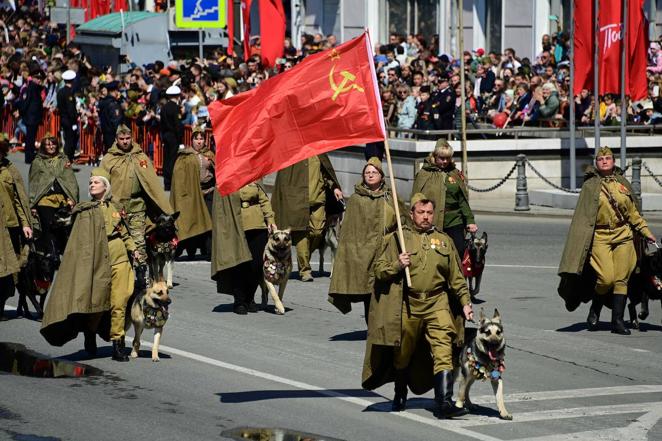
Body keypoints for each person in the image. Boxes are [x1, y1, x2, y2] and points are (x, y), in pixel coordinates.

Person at [362, 193, 473, 418]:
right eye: (420, 212)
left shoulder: (444, 241)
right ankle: (400, 391)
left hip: (437, 302)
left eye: (429, 213)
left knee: (444, 348)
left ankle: (443, 403)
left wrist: (465, 303)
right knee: (403, 352)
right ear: (412, 214)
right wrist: (397, 264)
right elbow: (379, 270)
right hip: (408, 304)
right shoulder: (398, 239)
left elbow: (457, 278)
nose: (425, 217)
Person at [41, 168, 138, 361]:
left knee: (119, 301)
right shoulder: (85, 210)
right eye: (90, 182)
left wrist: (135, 251)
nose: (92, 184)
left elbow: (125, 233)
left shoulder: (116, 207)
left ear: (105, 186)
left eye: (96, 182)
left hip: (119, 258)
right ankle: (90, 332)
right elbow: (77, 240)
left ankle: (118, 344)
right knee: (97, 303)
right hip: (96, 261)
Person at [558, 147, 656, 335]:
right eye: (600, 158)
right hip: (600, 237)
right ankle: (595, 308)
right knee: (606, 278)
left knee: (621, 279)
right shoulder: (590, 185)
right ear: (596, 162)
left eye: (608, 158)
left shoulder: (622, 183)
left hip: (623, 235)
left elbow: (633, 213)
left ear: (613, 161)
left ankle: (617, 321)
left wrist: (646, 231)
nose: (604, 161)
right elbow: (583, 218)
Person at [328, 157, 401, 322]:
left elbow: (403, 221)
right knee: (370, 291)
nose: (370, 175)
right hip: (363, 254)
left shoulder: (391, 197)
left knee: (387, 289)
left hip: (387, 251)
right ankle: (372, 327)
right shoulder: (356, 199)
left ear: (381, 175)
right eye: (367, 172)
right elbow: (349, 233)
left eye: (374, 172)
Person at [100, 125, 173, 282]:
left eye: (128, 139)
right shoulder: (109, 159)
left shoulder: (140, 157)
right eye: (122, 139)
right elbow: (101, 182)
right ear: (116, 140)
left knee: (139, 243)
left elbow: (151, 183)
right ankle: (118, 277)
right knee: (116, 243)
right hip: (116, 209)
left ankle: (141, 278)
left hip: (137, 207)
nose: (125, 142)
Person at [271, 154, 342, 282]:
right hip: (297, 200)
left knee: (317, 232)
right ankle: (305, 270)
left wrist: (335, 187)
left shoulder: (320, 152)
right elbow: (284, 178)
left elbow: (326, 172)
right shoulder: (295, 152)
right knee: (302, 234)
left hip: (318, 199)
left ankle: (304, 258)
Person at [211, 181, 276, 315]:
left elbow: (264, 200)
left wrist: (270, 220)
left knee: (257, 264)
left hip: (257, 225)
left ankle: (250, 297)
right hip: (235, 225)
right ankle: (240, 300)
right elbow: (221, 207)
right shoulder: (227, 177)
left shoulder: (255, 176)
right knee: (240, 264)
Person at [411, 140, 477, 259]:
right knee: (435, 253)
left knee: (458, 251)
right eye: (441, 158)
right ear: (434, 156)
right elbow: (416, 200)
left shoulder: (454, 173)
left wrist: (470, 220)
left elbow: (462, 200)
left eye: (447, 158)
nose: (445, 161)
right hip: (432, 219)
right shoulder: (424, 174)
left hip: (454, 220)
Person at [28, 133, 79, 275]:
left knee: (62, 228)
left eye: (53, 144)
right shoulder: (37, 162)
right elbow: (34, 183)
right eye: (47, 144)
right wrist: (32, 204)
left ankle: (61, 251)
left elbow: (70, 181)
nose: (51, 147)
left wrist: (71, 198)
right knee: (48, 227)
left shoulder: (63, 160)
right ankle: (53, 254)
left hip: (61, 200)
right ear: (43, 146)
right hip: (44, 201)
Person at [0, 133, 33, 319]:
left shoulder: (10, 169)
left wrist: (25, 223)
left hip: (10, 226)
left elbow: (19, 200)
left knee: (9, 271)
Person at [170, 126, 214, 259]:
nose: (199, 142)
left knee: (209, 221)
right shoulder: (185, 156)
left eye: (201, 139)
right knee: (194, 221)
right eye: (196, 139)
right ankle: (191, 250)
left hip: (209, 191)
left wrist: (212, 163)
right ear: (192, 140)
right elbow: (178, 176)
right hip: (193, 193)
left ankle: (209, 251)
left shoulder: (209, 154)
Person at [17, 69, 44, 164]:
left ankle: (30, 155)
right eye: (37, 78)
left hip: (34, 117)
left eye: (40, 78)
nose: (39, 80)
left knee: (31, 137)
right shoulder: (31, 88)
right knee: (30, 138)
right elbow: (26, 102)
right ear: (33, 78)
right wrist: (22, 113)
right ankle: (29, 157)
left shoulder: (36, 88)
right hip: (31, 117)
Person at [160, 85, 184, 191]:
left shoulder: (164, 108)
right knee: (173, 160)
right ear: (178, 96)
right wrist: (180, 139)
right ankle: (172, 182)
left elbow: (162, 124)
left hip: (166, 135)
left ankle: (167, 183)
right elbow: (177, 125)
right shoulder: (176, 108)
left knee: (166, 159)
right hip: (174, 137)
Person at [56, 70, 79, 161]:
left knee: (68, 140)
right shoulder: (69, 93)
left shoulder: (60, 91)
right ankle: (67, 160)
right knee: (70, 141)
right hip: (69, 120)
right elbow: (70, 109)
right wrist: (74, 121)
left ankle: (66, 160)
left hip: (63, 119)